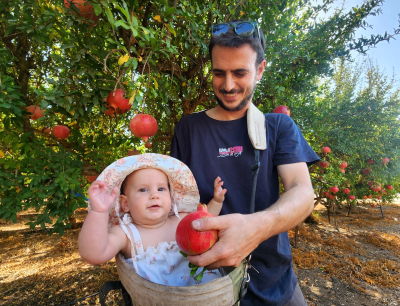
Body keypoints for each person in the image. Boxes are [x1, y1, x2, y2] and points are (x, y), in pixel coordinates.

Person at [170, 20, 320, 305]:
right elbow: (170, 202)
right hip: (204, 287)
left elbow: (302, 192)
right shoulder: (188, 129)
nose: (228, 85)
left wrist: (257, 227)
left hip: (274, 284)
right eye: (218, 73)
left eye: (240, 73)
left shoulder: (278, 127)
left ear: (260, 70)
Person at [78, 153, 226, 286]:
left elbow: (206, 222)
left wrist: (217, 201)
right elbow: (94, 254)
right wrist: (99, 212)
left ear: (171, 196)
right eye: (143, 189)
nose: (154, 195)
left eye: (161, 189)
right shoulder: (126, 234)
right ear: (125, 203)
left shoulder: (181, 220)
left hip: (203, 295)